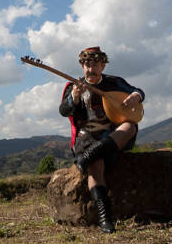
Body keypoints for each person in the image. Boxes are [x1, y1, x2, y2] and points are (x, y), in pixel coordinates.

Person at [59, 46, 144, 233]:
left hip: (112, 134)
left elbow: (138, 91)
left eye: (95, 64)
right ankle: (105, 218)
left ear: (103, 65)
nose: (91, 70)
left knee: (130, 126)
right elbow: (64, 111)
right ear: (82, 66)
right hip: (87, 136)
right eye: (87, 65)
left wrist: (135, 97)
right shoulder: (73, 87)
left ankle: (88, 156)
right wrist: (74, 97)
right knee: (96, 168)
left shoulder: (114, 83)